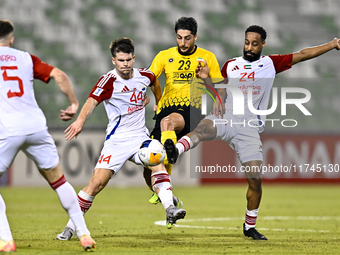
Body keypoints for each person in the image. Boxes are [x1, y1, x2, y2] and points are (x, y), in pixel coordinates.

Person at [164, 25, 340, 240]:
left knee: (255, 180)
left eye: (254, 43)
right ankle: (175, 151)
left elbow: (303, 54)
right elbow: (219, 90)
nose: (249, 47)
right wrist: (206, 79)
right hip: (227, 117)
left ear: (262, 44)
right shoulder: (231, 65)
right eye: (246, 42)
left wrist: (332, 45)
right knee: (203, 129)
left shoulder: (271, 63)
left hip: (249, 128)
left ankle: (249, 226)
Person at [56, 37, 186, 241]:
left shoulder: (144, 75)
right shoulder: (108, 81)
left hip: (140, 137)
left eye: (128, 60)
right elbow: (91, 102)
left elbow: (154, 83)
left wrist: (157, 103)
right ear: (113, 61)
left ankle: (170, 207)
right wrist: (80, 121)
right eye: (120, 60)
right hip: (116, 142)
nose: (125, 64)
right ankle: (71, 227)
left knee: (157, 162)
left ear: (133, 58)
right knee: (96, 183)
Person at [0, 20, 96, 251]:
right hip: (35, 126)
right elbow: (60, 76)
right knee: (59, 181)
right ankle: (84, 234)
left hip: (7, 129)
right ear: (12, 39)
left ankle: (6, 240)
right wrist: (73, 103)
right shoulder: (26, 58)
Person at [144, 17, 224, 205]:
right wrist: (148, 96)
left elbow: (221, 90)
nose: (183, 43)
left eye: (187, 38)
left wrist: (205, 79)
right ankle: (168, 196)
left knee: (168, 123)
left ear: (195, 37)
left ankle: (171, 160)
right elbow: (149, 78)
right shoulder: (165, 55)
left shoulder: (208, 57)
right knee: (149, 165)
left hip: (191, 108)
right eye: (179, 38)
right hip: (166, 107)